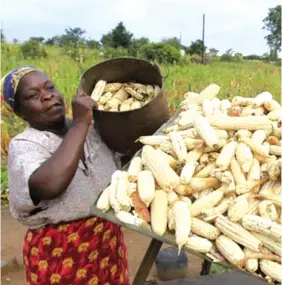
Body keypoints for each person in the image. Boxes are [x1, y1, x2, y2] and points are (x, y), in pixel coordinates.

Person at [1, 66, 130, 285]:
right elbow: (49, 185)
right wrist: (80, 122)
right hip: (61, 250)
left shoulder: (92, 129)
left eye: (49, 87)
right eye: (34, 95)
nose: (47, 95)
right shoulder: (25, 145)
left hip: (107, 240)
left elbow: (123, 158)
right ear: (21, 112)